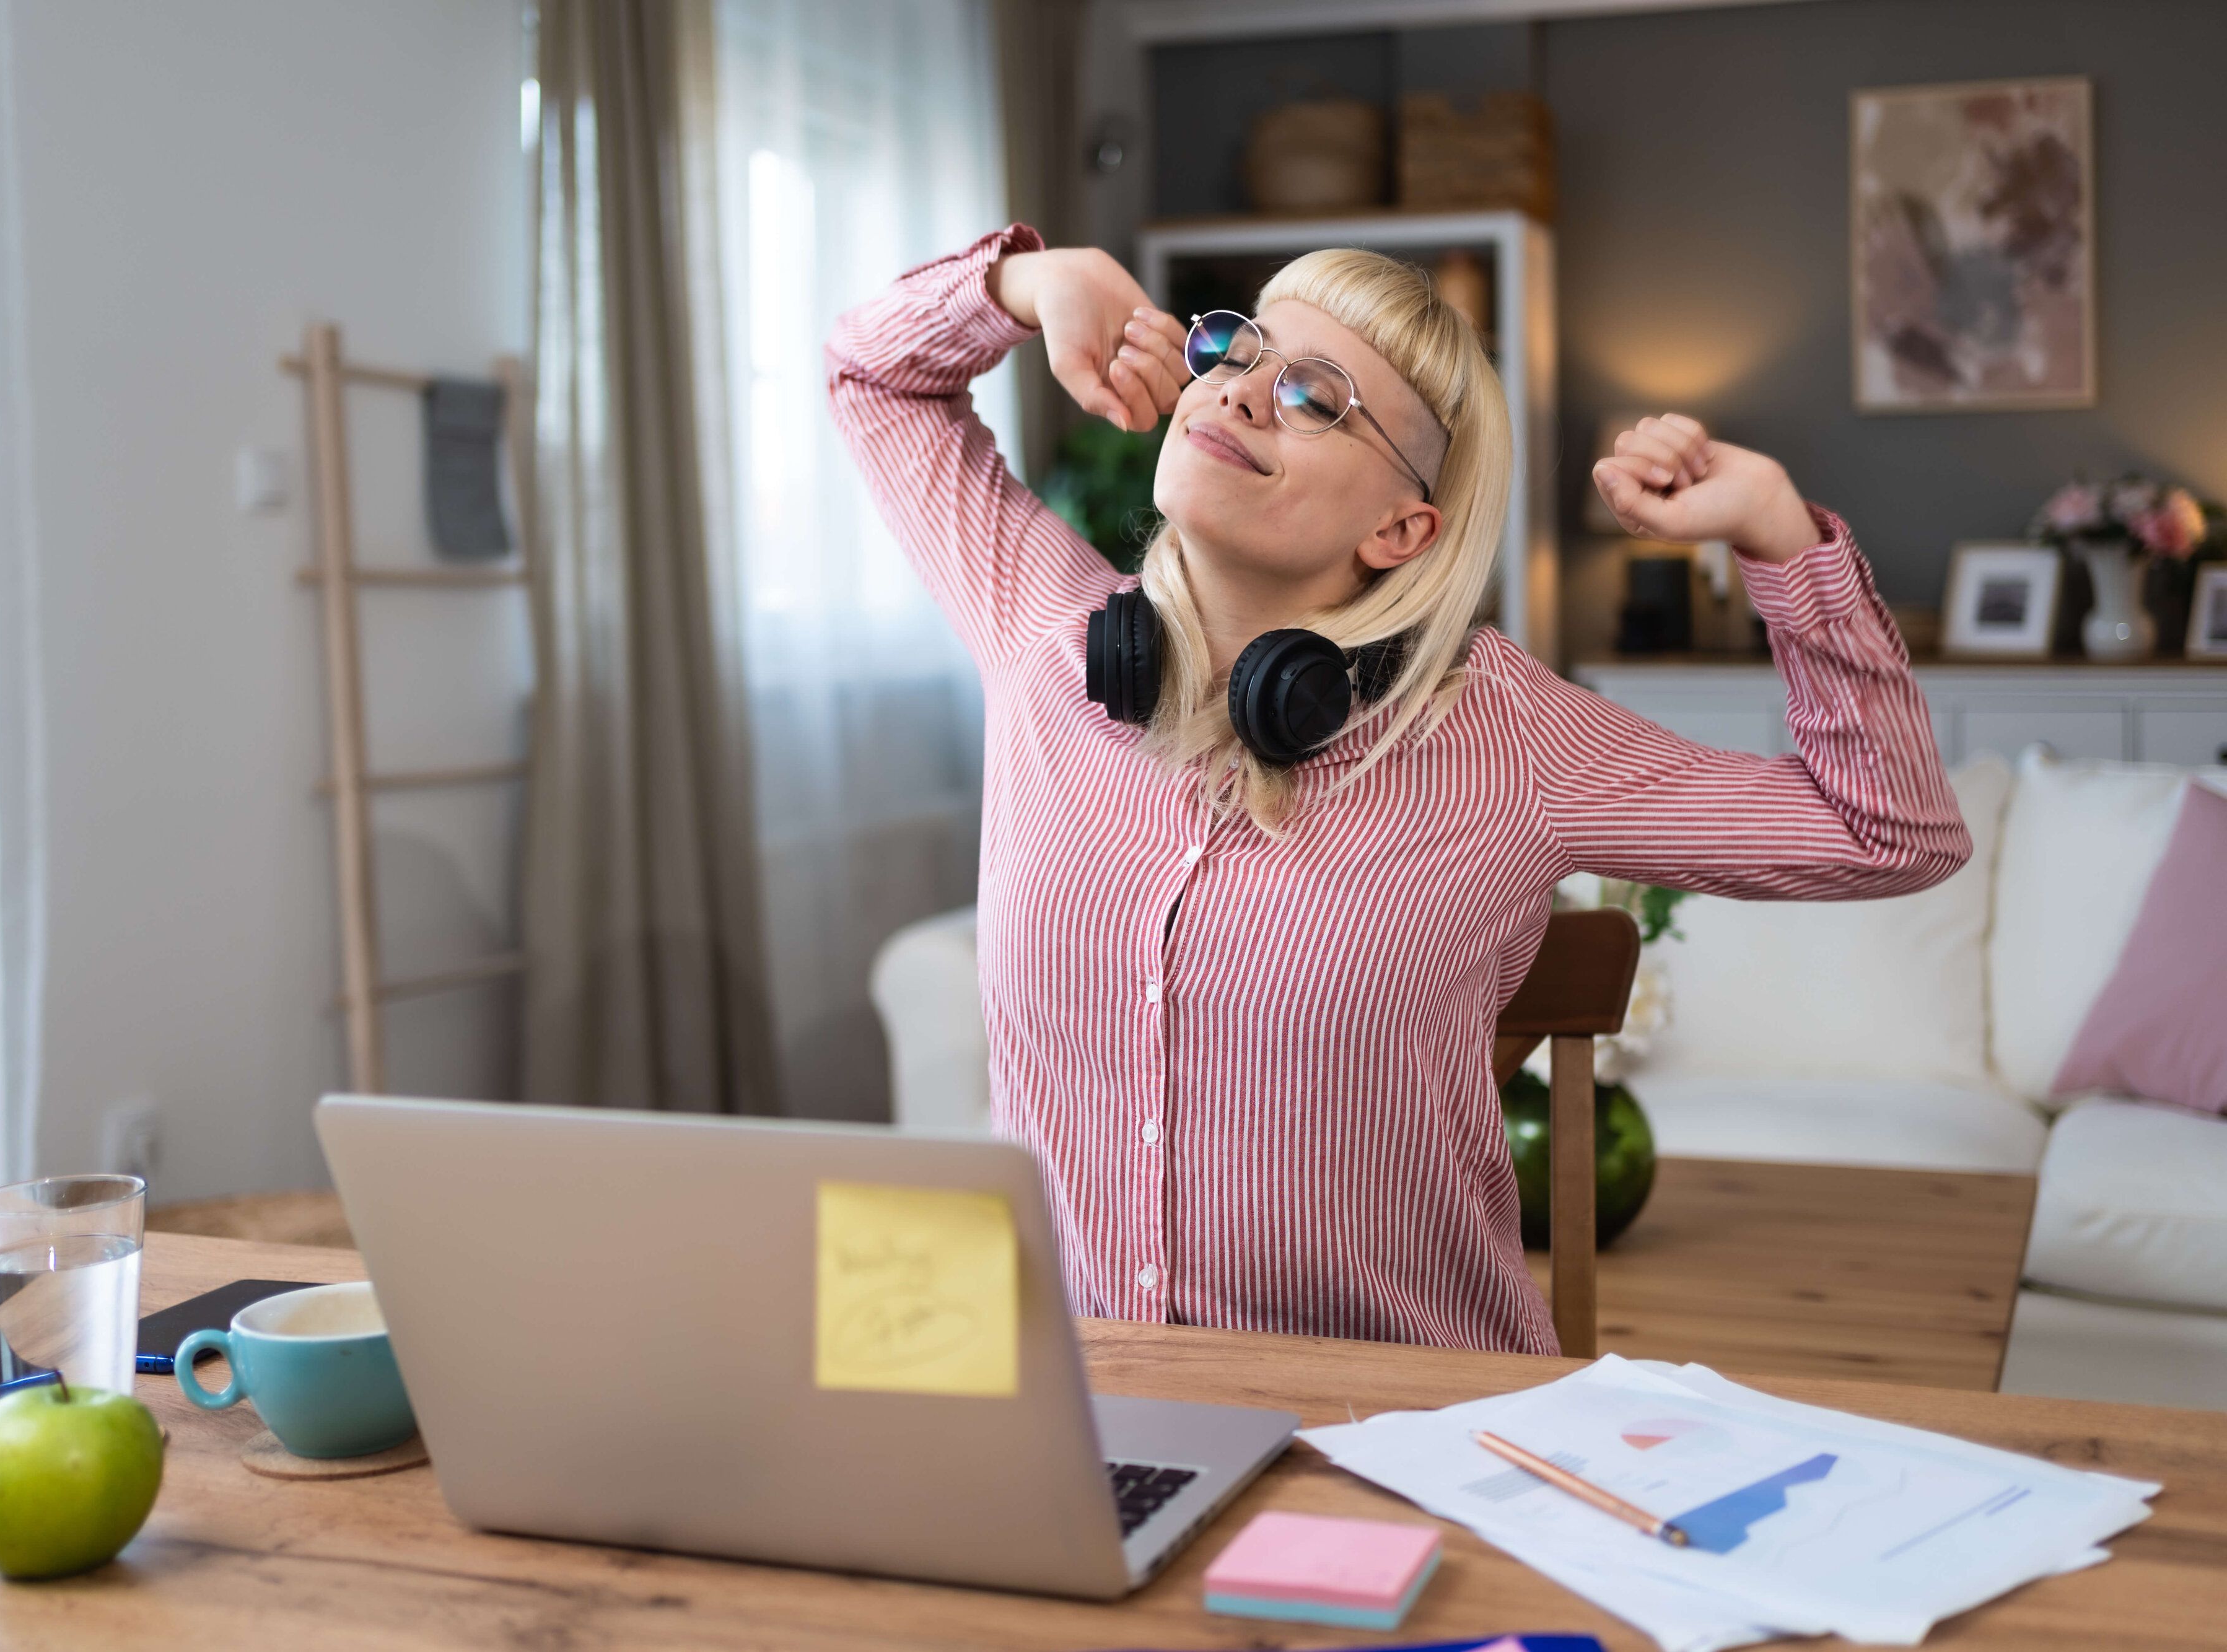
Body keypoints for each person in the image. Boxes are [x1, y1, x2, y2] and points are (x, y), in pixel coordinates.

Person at [824, 224, 1966, 1355]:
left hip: (1395, 1436)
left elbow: (1890, 831)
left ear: (1403, 528)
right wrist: (1029, 282)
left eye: (1318, 397)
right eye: (1239, 350)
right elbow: (872, 375)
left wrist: (1778, 536)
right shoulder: (1043, 633)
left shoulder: (1503, 737)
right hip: (1080, 1418)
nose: (1243, 391)